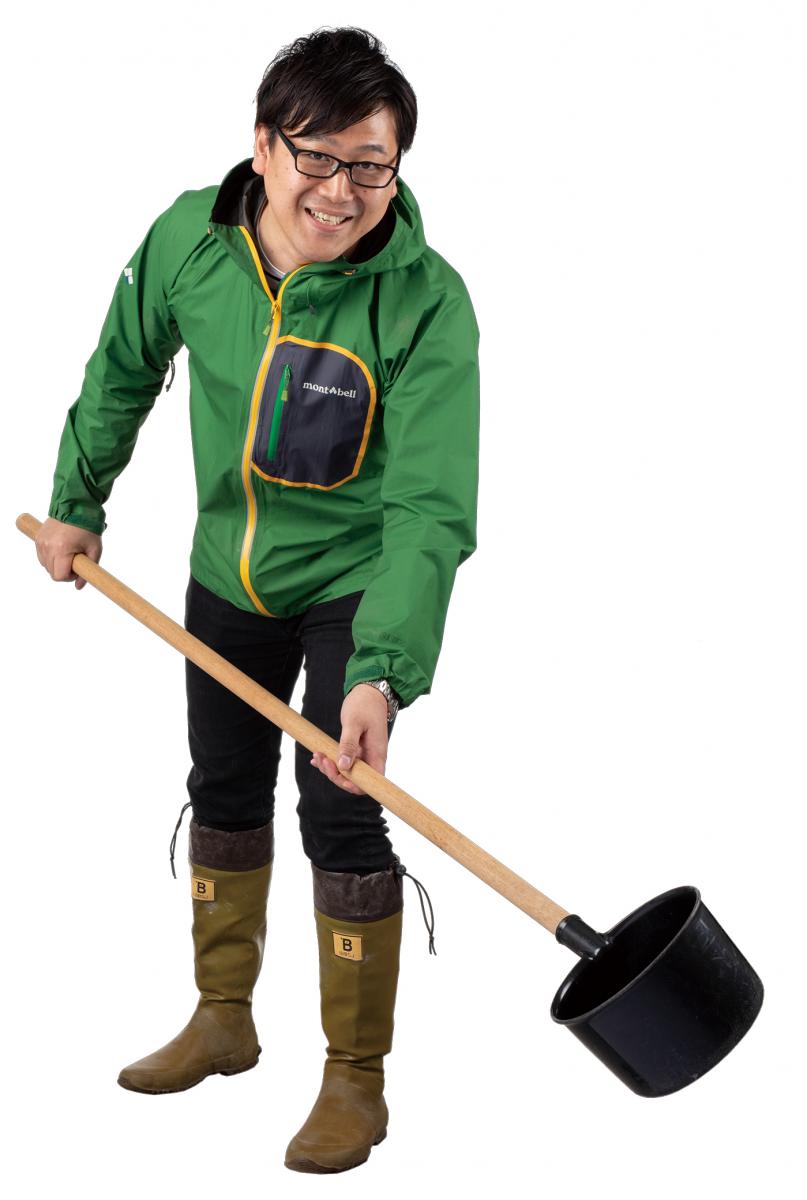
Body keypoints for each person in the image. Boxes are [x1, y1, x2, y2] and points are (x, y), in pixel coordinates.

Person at [35, 26, 479, 1174]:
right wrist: (77, 500)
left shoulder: (427, 303)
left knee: (340, 807)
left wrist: (381, 669)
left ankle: (355, 1080)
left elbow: (429, 510)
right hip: (225, 574)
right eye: (316, 157)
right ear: (263, 145)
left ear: (397, 168)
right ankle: (223, 1018)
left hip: (353, 585)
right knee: (223, 787)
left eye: (370, 166)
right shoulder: (191, 239)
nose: (340, 191)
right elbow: (122, 367)